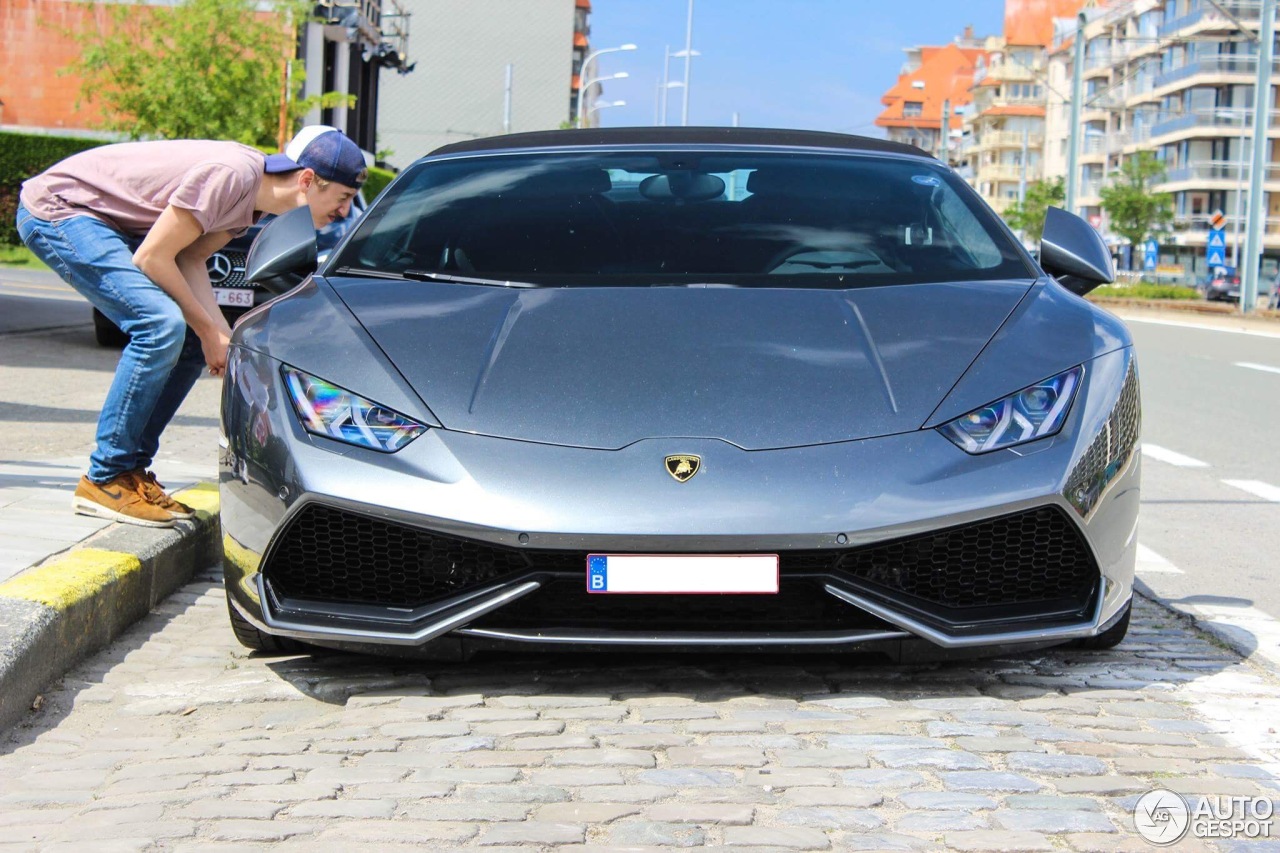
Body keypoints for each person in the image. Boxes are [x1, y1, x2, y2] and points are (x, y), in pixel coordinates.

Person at [15, 126, 366, 528]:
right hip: (61, 210)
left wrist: (221, 337)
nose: (344, 212)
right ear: (307, 181)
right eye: (343, 198)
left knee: (183, 343)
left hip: (103, 223)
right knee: (160, 325)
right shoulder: (233, 175)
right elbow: (152, 257)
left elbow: (189, 260)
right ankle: (106, 476)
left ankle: (130, 472)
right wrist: (206, 329)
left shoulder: (251, 205)